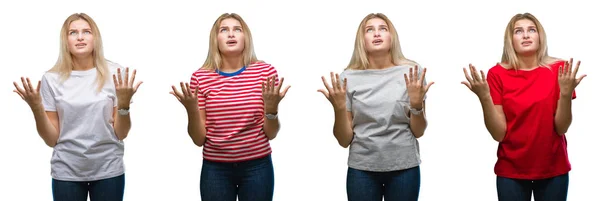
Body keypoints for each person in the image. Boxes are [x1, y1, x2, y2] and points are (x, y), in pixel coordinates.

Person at [12, 13, 142, 201]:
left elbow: (121, 133)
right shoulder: (52, 79)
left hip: (108, 169)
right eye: (73, 32)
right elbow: (51, 139)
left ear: (95, 38)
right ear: (65, 40)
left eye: (86, 32)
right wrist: (36, 107)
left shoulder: (115, 73)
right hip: (66, 171)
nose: (80, 37)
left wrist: (123, 104)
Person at [461, 13, 585, 201]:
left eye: (531, 30)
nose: (526, 35)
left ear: (540, 37)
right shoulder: (497, 74)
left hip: (553, 168)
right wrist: (484, 97)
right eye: (518, 31)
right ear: (510, 40)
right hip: (511, 171)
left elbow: (562, 128)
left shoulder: (559, 69)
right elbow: (499, 134)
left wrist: (566, 94)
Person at [170, 13, 290, 201]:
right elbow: (199, 139)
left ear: (246, 38)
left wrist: (272, 110)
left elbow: (271, 134)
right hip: (215, 169)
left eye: (237, 29)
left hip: (257, 167)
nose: (231, 34)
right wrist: (191, 109)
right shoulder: (200, 77)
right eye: (224, 30)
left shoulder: (265, 72)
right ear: (215, 39)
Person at [318, 13, 433, 201]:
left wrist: (416, 105)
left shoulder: (412, 72)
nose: (376, 33)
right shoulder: (348, 77)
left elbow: (419, 131)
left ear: (391, 37)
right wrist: (339, 108)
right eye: (369, 30)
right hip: (362, 169)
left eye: (383, 29)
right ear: (361, 40)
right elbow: (344, 140)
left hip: (404, 167)